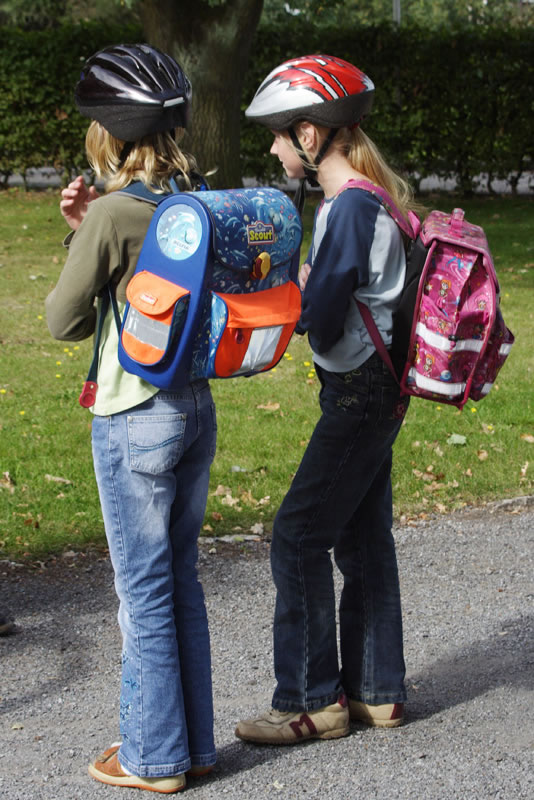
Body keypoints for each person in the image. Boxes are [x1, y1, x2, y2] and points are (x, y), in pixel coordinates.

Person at [46, 44, 217, 792]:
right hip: (193, 408)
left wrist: (85, 231)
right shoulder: (193, 199)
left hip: (133, 416)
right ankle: (194, 745)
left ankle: (151, 757)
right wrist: (90, 229)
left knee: (141, 592)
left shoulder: (114, 211)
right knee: (180, 583)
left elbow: (64, 321)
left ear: (109, 133)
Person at [235, 54, 419, 745]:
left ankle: (311, 701)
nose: (274, 148)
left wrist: (298, 289)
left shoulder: (346, 209)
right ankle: (377, 690)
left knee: (297, 536)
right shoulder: (375, 199)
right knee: (362, 535)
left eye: (279, 136)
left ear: (310, 137)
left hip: (358, 392)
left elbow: (321, 313)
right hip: (384, 387)